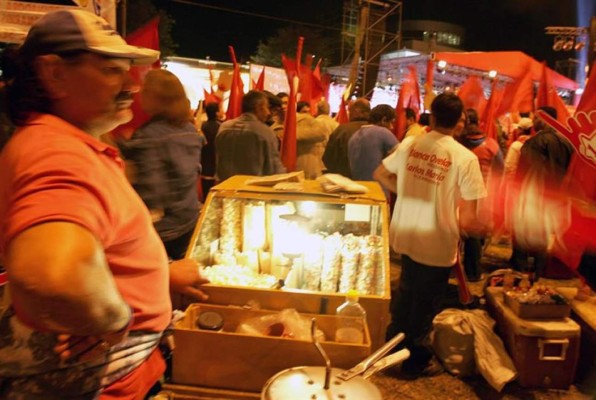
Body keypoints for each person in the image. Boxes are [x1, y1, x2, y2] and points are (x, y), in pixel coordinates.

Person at [0, 10, 208, 399]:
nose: (131, 84)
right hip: (104, 386)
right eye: (112, 70)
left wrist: (157, 276)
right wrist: (115, 318)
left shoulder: (67, 142)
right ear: (55, 74)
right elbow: (51, 274)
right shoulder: (56, 154)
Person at [374, 93, 486, 378]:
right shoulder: (465, 158)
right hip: (436, 241)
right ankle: (415, 361)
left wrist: (411, 191)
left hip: (406, 232)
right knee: (424, 304)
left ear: (432, 117)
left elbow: (381, 174)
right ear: (460, 121)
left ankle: (391, 343)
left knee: (407, 292)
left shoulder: (411, 144)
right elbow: (471, 218)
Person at [117, 69, 205, 261]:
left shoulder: (149, 135)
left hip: (163, 230)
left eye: (145, 90)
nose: (139, 93)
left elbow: (151, 188)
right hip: (189, 218)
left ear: (157, 98)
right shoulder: (190, 129)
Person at [511, 106, 574, 278]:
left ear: (544, 119)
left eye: (536, 118)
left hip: (532, 194)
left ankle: (520, 272)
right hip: (555, 196)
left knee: (522, 234)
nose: (533, 122)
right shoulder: (568, 142)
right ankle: (538, 271)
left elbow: (522, 171)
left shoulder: (534, 142)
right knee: (543, 235)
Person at [459, 108, 504, 281]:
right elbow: (500, 170)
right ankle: (473, 272)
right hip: (480, 194)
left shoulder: (458, 143)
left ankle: (450, 267)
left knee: (454, 231)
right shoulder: (491, 144)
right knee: (474, 234)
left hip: (458, 191)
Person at [215, 90, 285, 181]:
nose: (268, 113)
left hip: (226, 188)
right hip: (252, 190)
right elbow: (274, 168)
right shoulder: (265, 132)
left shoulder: (224, 127)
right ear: (258, 107)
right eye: (266, 107)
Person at [348, 104, 398, 183]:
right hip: (378, 189)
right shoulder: (383, 132)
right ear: (384, 120)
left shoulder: (354, 136)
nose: (392, 127)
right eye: (391, 122)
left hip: (358, 187)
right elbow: (401, 156)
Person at [323, 97, 371, 178]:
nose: (348, 114)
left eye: (349, 111)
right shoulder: (379, 130)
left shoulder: (342, 130)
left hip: (345, 179)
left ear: (357, 112)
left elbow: (328, 158)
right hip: (373, 183)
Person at [200, 102, 222, 198]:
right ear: (217, 113)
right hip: (217, 163)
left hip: (205, 163)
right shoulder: (221, 127)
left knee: (206, 193)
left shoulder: (202, 126)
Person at [296, 111, 327, 179]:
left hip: (306, 168)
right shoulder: (275, 126)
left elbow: (321, 133)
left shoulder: (305, 119)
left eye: (286, 103)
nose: (283, 107)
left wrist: (292, 134)